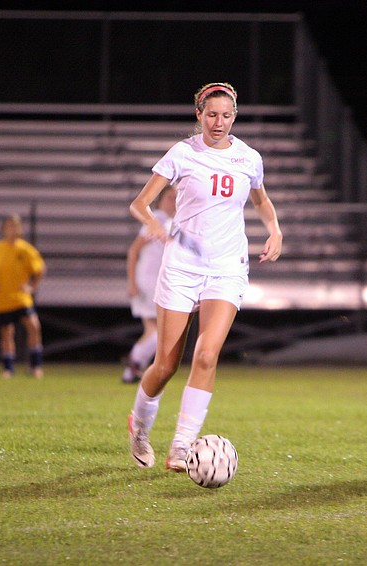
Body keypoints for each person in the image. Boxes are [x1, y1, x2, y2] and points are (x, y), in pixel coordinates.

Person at [127, 82, 283, 472]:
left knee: (207, 354)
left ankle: (181, 447)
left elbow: (261, 201)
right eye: (211, 114)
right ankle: (140, 426)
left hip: (227, 267)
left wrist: (275, 230)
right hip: (181, 266)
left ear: (235, 116)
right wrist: (156, 227)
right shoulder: (183, 153)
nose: (219, 122)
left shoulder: (248, 158)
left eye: (226, 115)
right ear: (198, 114)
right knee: (165, 365)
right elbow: (140, 203)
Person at [121, 185, 177, 384]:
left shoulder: (169, 222)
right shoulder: (157, 220)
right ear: (160, 200)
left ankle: (133, 370)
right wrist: (132, 282)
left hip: (156, 282)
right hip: (149, 283)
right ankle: (134, 364)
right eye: (170, 197)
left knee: (154, 332)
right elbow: (134, 251)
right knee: (159, 333)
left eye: (177, 197)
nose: (174, 201)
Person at [0, 214, 46, 379]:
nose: (13, 229)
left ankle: (36, 366)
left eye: (16, 226)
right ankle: (8, 368)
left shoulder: (26, 249)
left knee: (33, 327)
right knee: (7, 333)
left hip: (21, 298)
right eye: (10, 226)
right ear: (3, 229)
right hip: (3, 299)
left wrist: (31, 287)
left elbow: (40, 270)